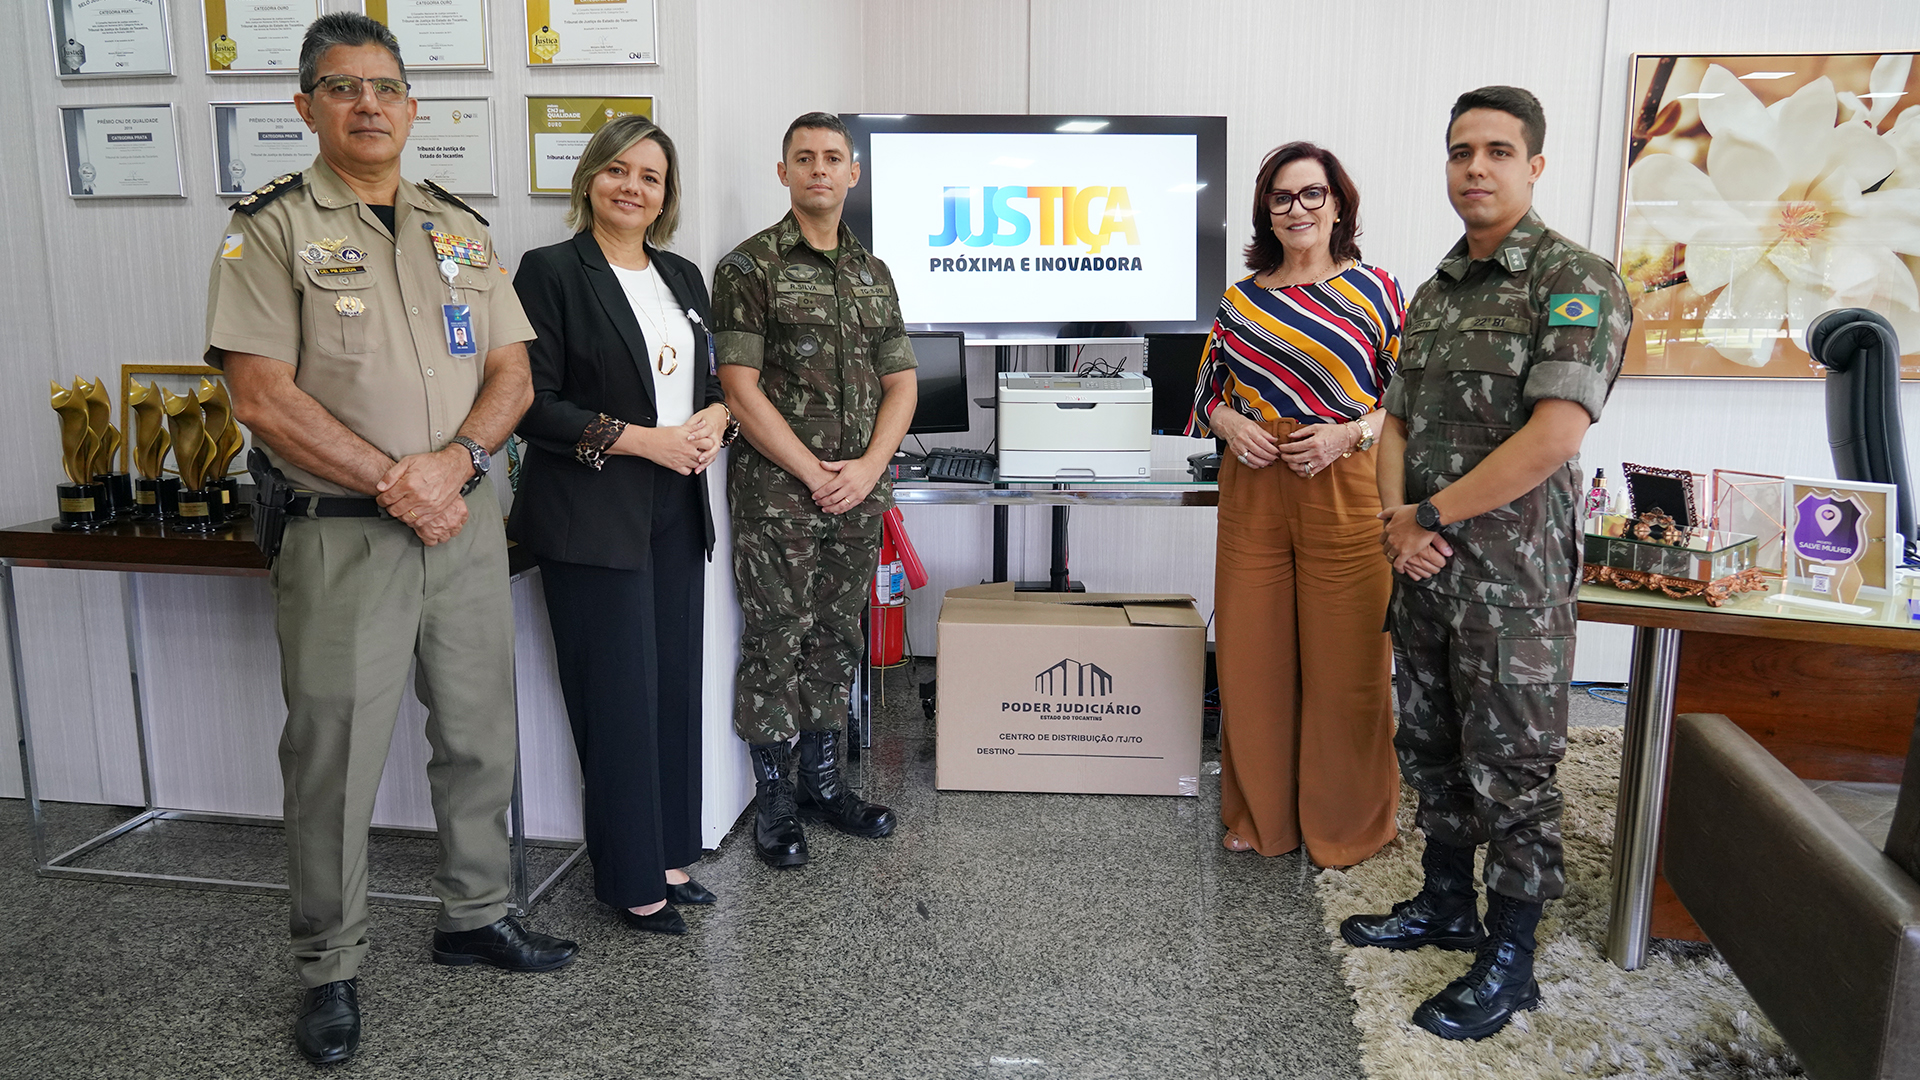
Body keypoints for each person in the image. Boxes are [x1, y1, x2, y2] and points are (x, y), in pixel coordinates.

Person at [205, 13, 576, 1066]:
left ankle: (476, 914)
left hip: (461, 524)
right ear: (307, 106)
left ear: (412, 108)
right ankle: (329, 967)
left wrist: (454, 465)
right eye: (341, 87)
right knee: (334, 757)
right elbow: (260, 395)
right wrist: (393, 480)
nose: (367, 105)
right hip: (341, 536)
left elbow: (513, 369)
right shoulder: (269, 227)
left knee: (477, 734)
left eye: (384, 88)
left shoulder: (457, 226)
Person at [1340, 86, 1630, 1041]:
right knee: (1429, 747)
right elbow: (1396, 420)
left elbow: (1552, 438)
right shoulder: (1431, 293)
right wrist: (1395, 520)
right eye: (1462, 150)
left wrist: (1425, 512)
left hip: (1512, 582)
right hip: (1420, 570)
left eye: (1498, 151)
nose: (1476, 167)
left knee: (1514, 768)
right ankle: (1444, 902)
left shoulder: (1573, 279)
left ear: (1534, 165)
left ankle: (1510, 956)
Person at [508, 116, 734, 936]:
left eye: (651, 176)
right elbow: (533, 400)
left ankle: (672, 852)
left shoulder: (680, 275)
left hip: (676, 506)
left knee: (673, 684)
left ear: (665, 195)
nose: (633, 187)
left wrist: (713, 422)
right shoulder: (551, 271)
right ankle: (630, 878)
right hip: (591, 514)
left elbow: (708, 385)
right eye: (618, 170)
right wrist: (647, 441)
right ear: (591, 178)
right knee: (617, 696)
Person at [1188, 142, 1404, 869]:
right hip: (1254, 482)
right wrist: (1228, 422)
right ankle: (1261, 815)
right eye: (1282, 198)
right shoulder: (1241, 298)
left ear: (1339, 203)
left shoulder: (1376, 291)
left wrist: (1347, 433)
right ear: (1265, 211)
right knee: (1251, 658)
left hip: (1345, 482)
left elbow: (1405, 401)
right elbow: (1206, 391)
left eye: (1312, 194)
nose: (1297, 209)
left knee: (1349, 663)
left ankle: (1348, 824)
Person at [711, 112, 915, 868]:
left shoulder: (874, 273)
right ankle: (775, 805)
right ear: (784, 172)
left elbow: (902, 383)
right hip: (779, 498)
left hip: (858, 493)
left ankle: (825, 786)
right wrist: (811, 470)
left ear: (853, 173)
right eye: (804, 158)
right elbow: (739, 388)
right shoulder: (748, 267)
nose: (819, 169)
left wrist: (867, 468)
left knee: (838, 635)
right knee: (776, 642)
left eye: (833, 158)